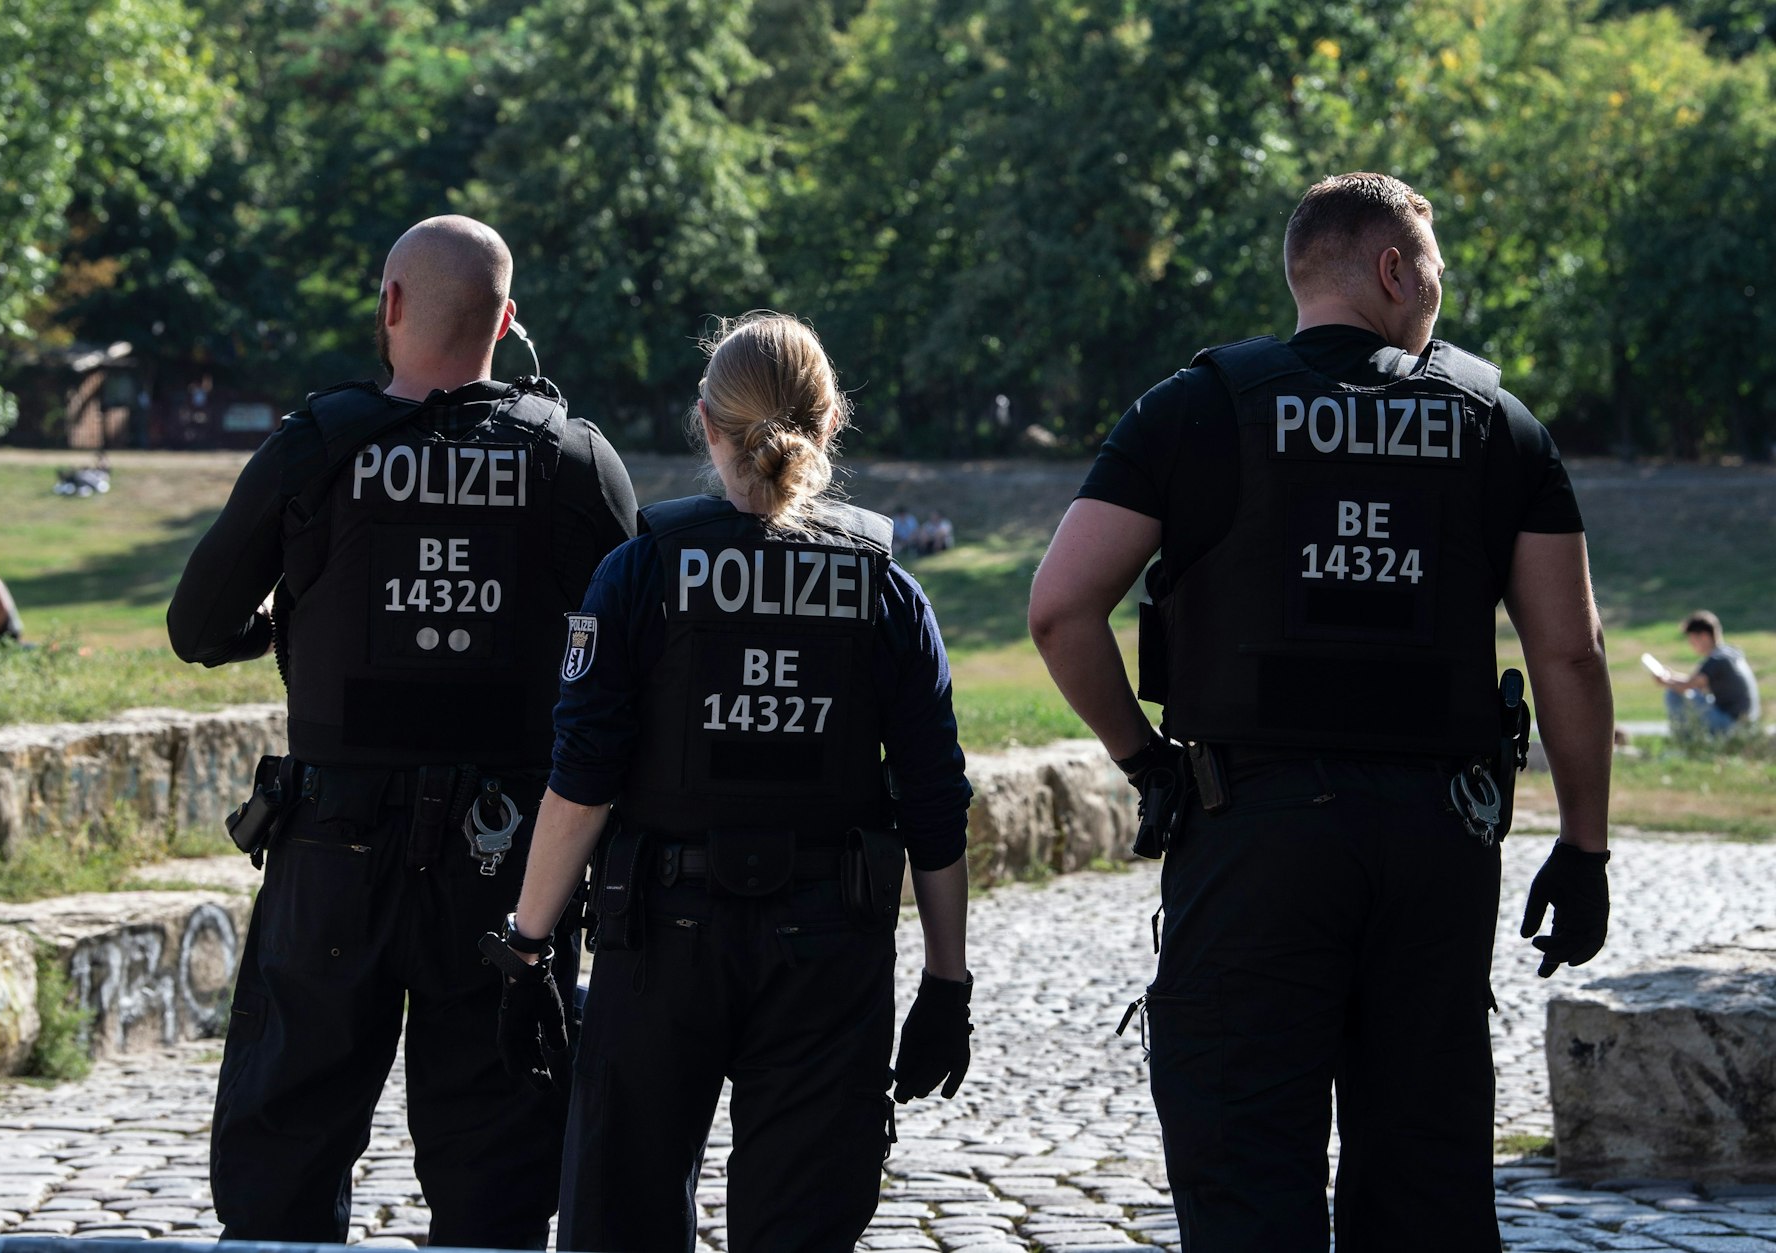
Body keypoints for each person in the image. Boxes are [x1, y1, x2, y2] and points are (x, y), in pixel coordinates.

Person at [1028, 173, 1614, 1252]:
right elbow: (1567, 653)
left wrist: (1146, 762)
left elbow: (1061, 610)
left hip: (1251, 833)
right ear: (1391, 269)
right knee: (1426, 1177)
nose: (1438, 290)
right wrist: (1582, 847)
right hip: (1437, 839)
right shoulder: (1497, 423)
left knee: (1246, 1167)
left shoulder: (1195, 407)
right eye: (1433, 268)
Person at [167, 214, 636, 1250]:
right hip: (507, 864)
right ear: (507, 322)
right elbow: (635, 666)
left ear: (389, 305)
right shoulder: (572, 460)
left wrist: (291, 620)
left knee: (282, 1160)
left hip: (334, 852)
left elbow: (196, 627)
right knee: (500, 1173)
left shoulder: (313, 447)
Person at [492, 312, 973, 1252]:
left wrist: (527, 947)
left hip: (659, 938)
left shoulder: (638, 573)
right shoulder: (886, 591)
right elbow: (934, 805)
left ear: (704, 421)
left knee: (620, 1220)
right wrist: (947, 983)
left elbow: (581, 784)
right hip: (830, 950)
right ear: (831, 425)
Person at [1656, 610, 1760, 734]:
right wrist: (1671, 676)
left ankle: (1684, 742)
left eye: (1692, 639)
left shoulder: (1716, 660)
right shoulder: (1729, 652)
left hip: (1732, 724)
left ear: (1704, 636)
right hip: (1747, 721)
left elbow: (1687, 686)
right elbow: (1693, 682)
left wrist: (1665, 681)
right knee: (1694, 694)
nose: (1690, 644)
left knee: (1673, 693)